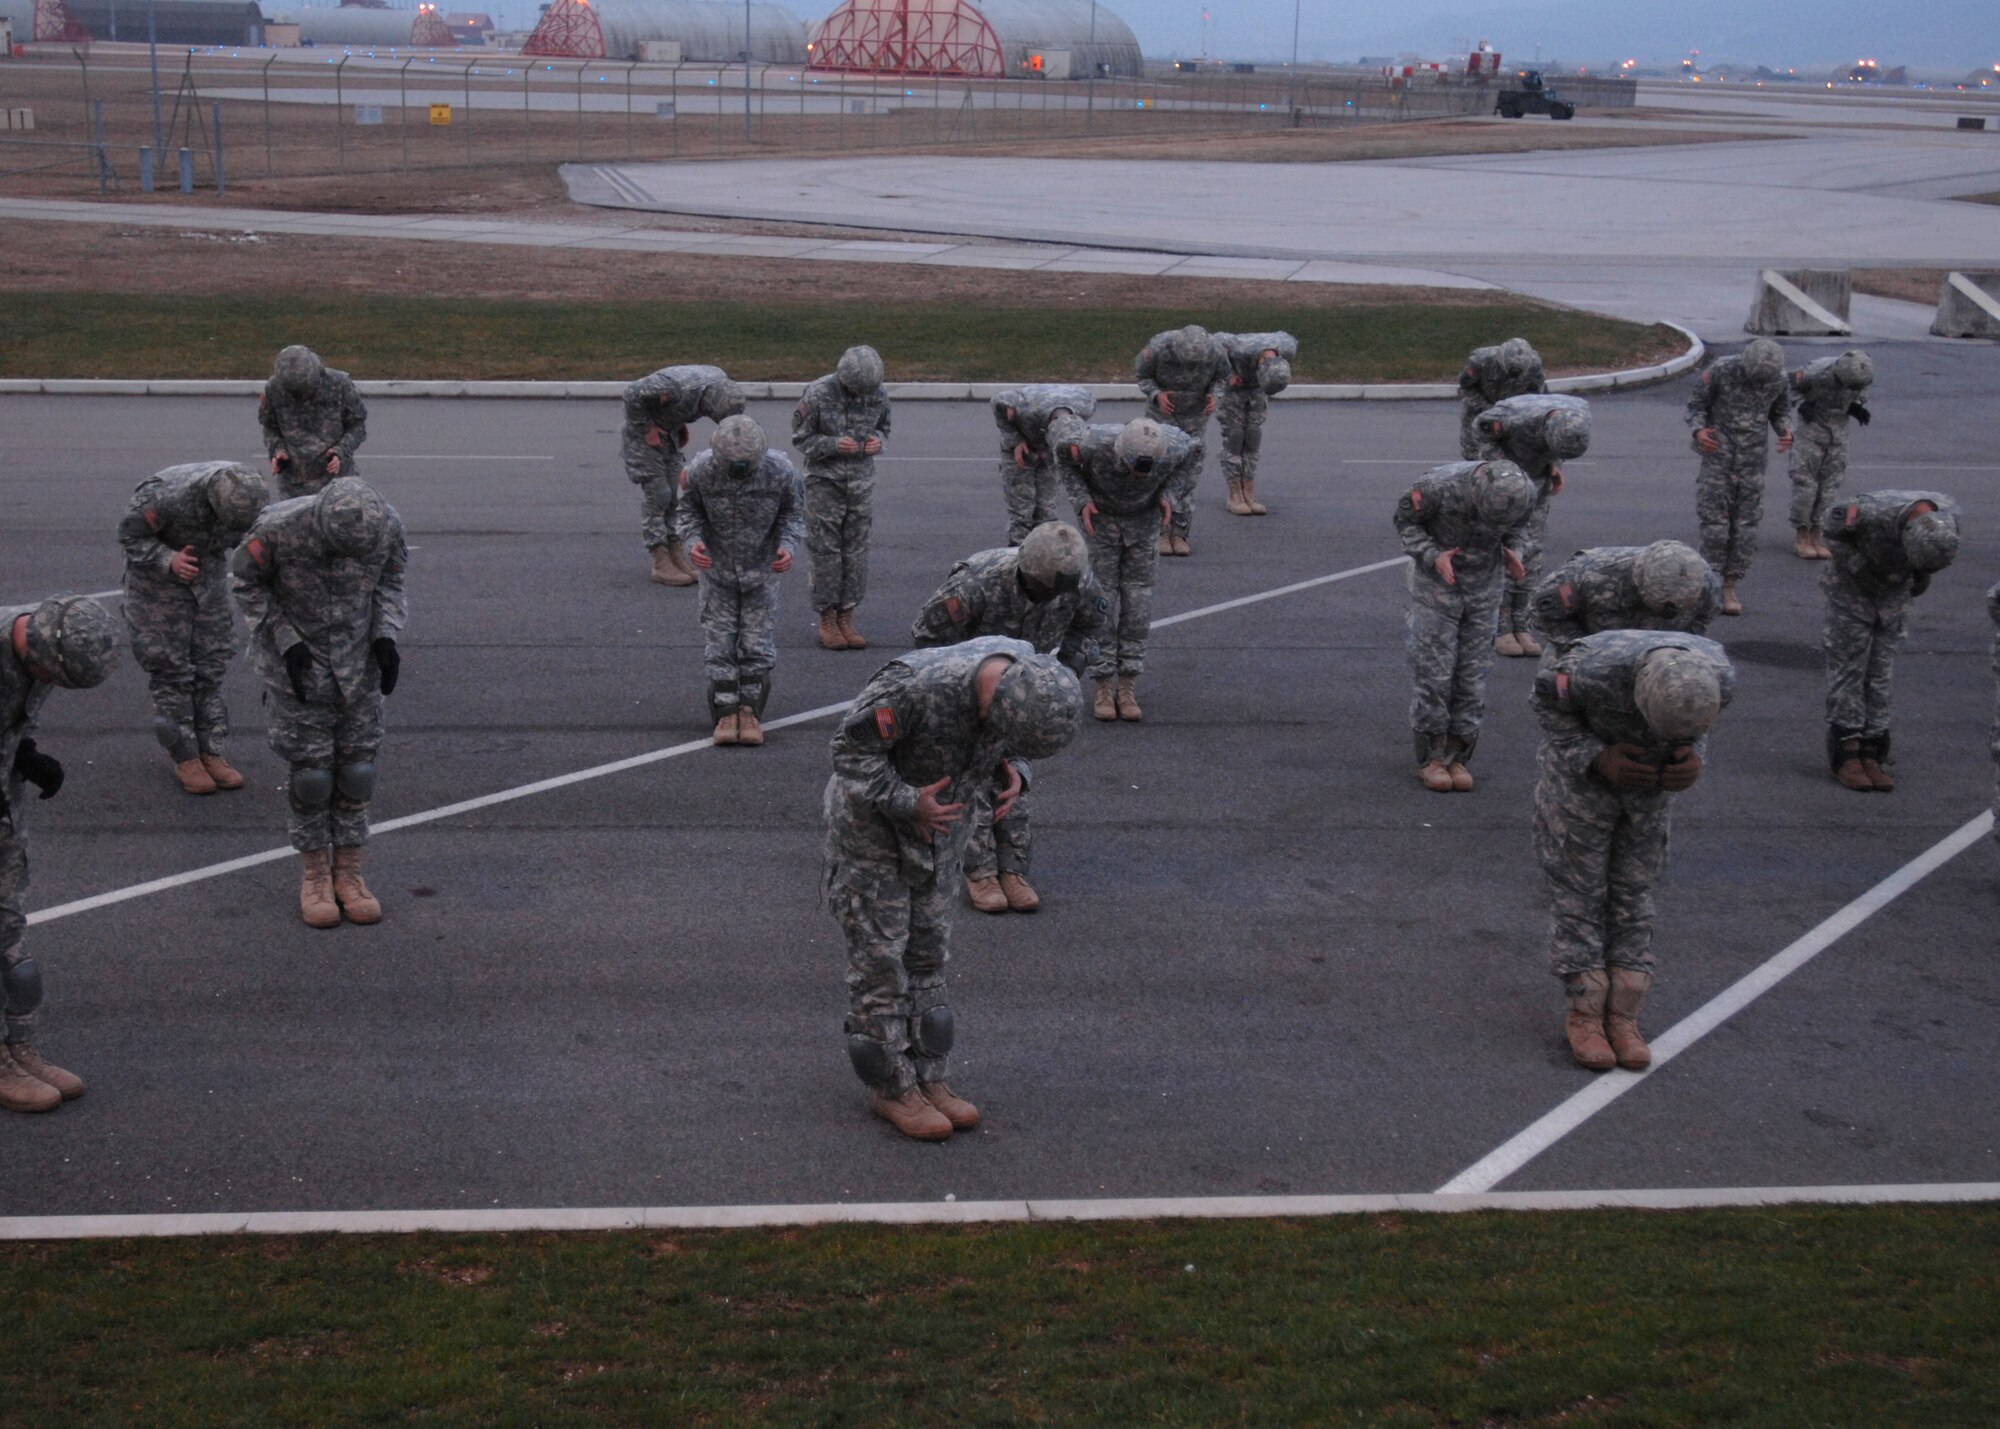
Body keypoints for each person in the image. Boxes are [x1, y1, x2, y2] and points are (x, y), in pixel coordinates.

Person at [824, 639, 1083, 1140]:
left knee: (928, 955)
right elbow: (849, 752)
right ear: (992, 704)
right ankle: (892, 1087)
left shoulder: (1025, 675)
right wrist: (906, 799)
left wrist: (1015, 769)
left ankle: (930, 1077)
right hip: (874, 831)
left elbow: (1011, 742)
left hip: (942, 827)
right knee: (880, 959)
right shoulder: (913, 687)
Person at [1533, 631, 1735, 1071]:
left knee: (1634, 896)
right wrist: (1597, 756)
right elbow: (1546, 707)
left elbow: (1700, 725)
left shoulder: (1718, 676)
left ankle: (1624, 1014)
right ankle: (1585, 1012)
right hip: (1582, 787)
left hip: (1650, 789)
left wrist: (1693, 756)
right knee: (1579, 896)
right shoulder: (1587, 670)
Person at [230, 478, 408, 928]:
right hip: (299, 668)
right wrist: (284, 639)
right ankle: (314, 875)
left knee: (357, 772)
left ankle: (349, 873)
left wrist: (386, 633)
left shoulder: (384, 525)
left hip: (357, 664)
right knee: (311, 776)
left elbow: (391, 578)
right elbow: (246, 583)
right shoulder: (276, 528)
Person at [911, 522, 1109, 915]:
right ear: (1026, 573)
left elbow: (1090, 625)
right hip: (968, 687)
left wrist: (1061, 677)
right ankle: (979, 871)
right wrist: (967, 689)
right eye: (1044, 590)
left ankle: (1013, 869)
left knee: (1014, 775)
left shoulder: (1077, 580)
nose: (1052, 598)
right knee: (970, 777)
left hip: (1023, 691)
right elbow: (926, 637)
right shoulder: (976, 584)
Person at [0, 595, 118, 1112]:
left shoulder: (41, 651)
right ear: (41, 651)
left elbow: (17, 713)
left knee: (8, 929)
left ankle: (17, 1043)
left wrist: (25, 752)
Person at [117, 461, 270, 794]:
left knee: (210, 666)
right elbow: (129, 535)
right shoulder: (164, 496)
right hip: (158, 589)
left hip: (208, 580)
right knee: (172, 671)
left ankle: (210, 751)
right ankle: (185, 756)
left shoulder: (250, 499)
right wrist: (167, 559)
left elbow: (257, 540)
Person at [1392, 460, 1535, 792]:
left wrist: (1515, 550)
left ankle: (1458, 755)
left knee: (1472, 676)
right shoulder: (1437, 487)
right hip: (1436, 588)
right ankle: (1432, 757)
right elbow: (1405, 522)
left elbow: (1520, 526)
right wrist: (1431, 554)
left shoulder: (1522, 491)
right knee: (1435, 673)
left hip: (1485, 589)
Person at [1051, 415, 1192, 722]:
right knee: (1101, 602)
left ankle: (1127, 683)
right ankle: (1103, 683)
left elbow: (1194, 455)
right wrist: (1081, 500)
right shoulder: (1091, 444)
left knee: (1138, 603)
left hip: (1144, 525)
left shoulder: (1174, 445)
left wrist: (1169, 495)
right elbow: (1062, 454)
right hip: (1101, 524)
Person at [1820, 489, 1961, 792]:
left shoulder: (1947, 517)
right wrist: (1864, 567)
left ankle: (1873, 749)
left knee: (1880, 673)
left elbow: (1932, 561)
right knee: (1849, 671)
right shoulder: (1863, 511)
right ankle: (1846, 749)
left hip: (1894, 600)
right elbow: (1830, 534)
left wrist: (1917, 578)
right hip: (1852, 593)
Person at [677, 415, 805, 747]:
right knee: (720, 645)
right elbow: (687, 513)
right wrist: (693, 543)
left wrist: (787, 547)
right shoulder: (700, 472)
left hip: (761, 572)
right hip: (717, 572)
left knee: (756, 645)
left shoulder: (782, 472)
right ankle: (724, 713)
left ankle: (749, 712)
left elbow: (793, 514)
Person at [1473, 393, 1591, 658]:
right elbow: (1480, 433)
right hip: (1506, 482)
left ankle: (1521, 623)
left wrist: (1553, 465)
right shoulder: (1512, 417)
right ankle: (1500, 627)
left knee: (1532, 552)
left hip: (1537, 480)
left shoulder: (1578, 414)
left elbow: (1559, 446)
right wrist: (1507, 471)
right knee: (1507, 550)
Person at [793, 345, 891, 650]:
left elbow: (884, 427)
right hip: (825, 484)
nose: (860, 396)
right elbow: (801, 438)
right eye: (854, 390)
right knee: (826, 552)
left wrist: (878, 442)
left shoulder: (877, 393)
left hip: (861, 484)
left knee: (856, 552)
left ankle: (847, 616)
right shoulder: (818, 394)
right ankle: (827, 619)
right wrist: (834, 444)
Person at [1686, 339, 1793, 615]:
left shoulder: (1778, 379)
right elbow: (1696, 404)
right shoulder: (1722, 370)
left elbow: (1780, 410)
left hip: (1752, 462)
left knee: (1745, 528)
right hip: (1719, 455)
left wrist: (1785, 430)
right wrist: (1699, 430)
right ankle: (1710, 582)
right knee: (1715, 525)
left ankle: (1730, 585)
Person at [620, 364, 745, 587]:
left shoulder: (720, 384)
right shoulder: (673, 388)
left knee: (678, 494)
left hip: (669, 434)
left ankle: (676, 553)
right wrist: (647, 427)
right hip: (642, 438)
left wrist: (677, 422)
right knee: (659, 495)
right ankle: (660, 560)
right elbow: (632, 393)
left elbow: (678, 407)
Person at [1530, 541, 1720, 655]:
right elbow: (1544, 611)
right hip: (1589, 650)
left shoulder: (1704, 583)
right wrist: (1581, 650)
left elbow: (1704, 616)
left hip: (1657, 660)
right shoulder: (1590, 573)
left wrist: (1679, 648)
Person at [1135, 324, 1228, 556]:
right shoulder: (1158, 347)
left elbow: (1222, 379)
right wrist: (1157, 394)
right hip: (1162, 421)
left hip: (1194, 423)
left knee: (1186, 481)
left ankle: (1179, 534)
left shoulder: (1216, 352)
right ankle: (1160, 533)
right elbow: (1143, 376)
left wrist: (1215, 397)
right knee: (1158, 478)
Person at [1787, 349, 1874, 561]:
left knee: (1830, 487)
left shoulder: (1862, 373)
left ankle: (1818, 534)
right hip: (1811, 432)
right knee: (1806, 486)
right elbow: (1787, 387)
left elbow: (1860, 393)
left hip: (1838, 435)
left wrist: (1856, 407)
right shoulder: (1815, 371)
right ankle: (1802, 536)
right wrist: (1801, 404)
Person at [259, 345, 368, 501]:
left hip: (338, 483)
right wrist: (278, 451)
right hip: (294, 488)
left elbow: (357, 425)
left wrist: (341, 451)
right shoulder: (273, 389)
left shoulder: (339, 385)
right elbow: (270, 427)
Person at [991, 384, 1096, 546]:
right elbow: (998, 401)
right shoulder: (1028, 408)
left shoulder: (1086, 406)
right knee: (1022, 512)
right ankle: (1017, 557)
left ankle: (1044, 556)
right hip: (1022, 449)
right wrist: (1015, 439)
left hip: (1048, 454)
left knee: (1047, 512)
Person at [1213, 330, 1297, 517]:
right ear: (1260, 364)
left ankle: (1249, 492)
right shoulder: (1240, 348)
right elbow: (1213, 344)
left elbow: (1286, 336)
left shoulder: (1287, 348)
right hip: (1233, 390)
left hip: (1256, 390)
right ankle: (1235, 495)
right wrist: (1228, 374)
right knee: (1235, 438)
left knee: (1252, 437)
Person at [1456, 337, 1546, 460]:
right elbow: (1466, 388)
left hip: (1512, 415)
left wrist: (1516, 413)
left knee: (1513, 455)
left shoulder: (1535, 365)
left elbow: (1535, 396)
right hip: (1478, 411)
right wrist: (1488, 409)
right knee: (1472, 455)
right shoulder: (1480, 361)